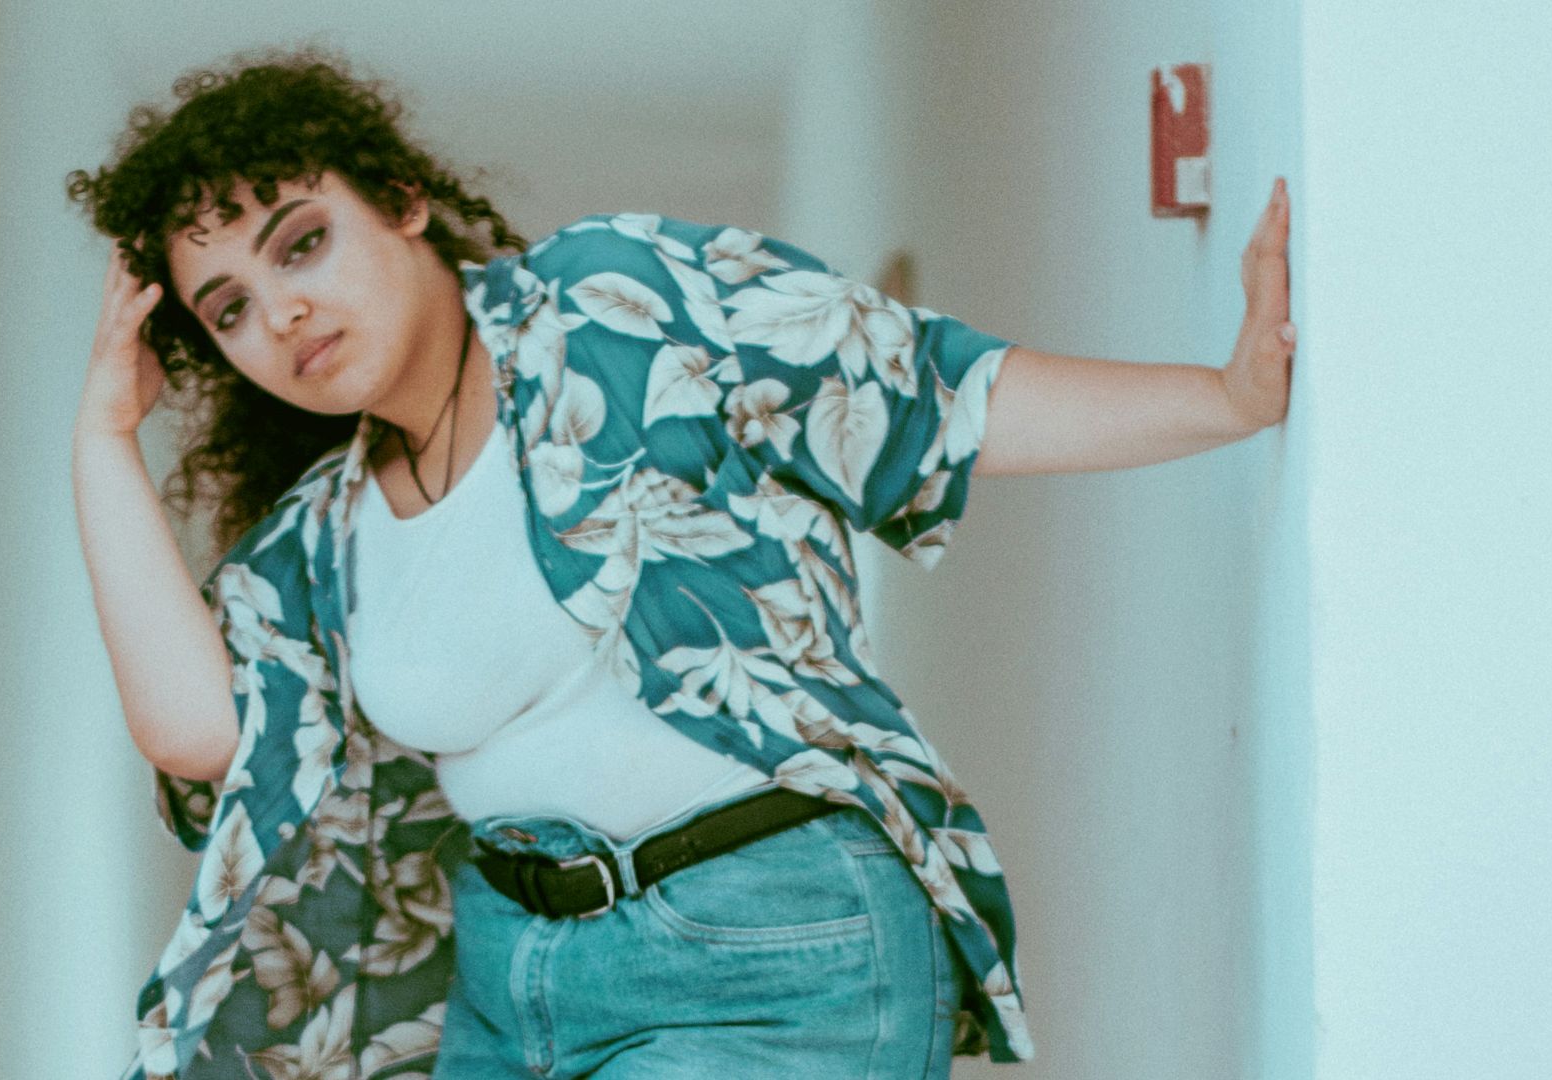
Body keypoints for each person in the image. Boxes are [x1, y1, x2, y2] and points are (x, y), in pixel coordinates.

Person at [67, 43, 1294, 1080]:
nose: (278, 313)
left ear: (400, 200)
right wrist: (102, 438)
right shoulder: (323, 540)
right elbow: (201, 738)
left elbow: (919, 396)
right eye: (225, 308)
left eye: (300, 243)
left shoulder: (618, 309)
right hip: (512, 982)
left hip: (766, 938)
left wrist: (1225, 400)